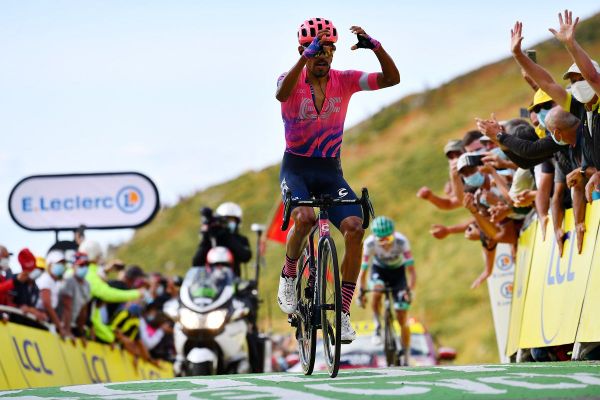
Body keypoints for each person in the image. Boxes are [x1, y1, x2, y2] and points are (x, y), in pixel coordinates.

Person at [276, 17, 400, 343]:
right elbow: (281, 94)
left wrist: (376, 47)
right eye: (313, 49)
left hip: (330, 170)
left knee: (355, 229)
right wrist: (303, 58)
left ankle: (343, 311)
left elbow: (391, 79)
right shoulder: (290, 80)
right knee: (302, 218)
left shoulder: (344, 81)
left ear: (333, 52)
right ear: (302, 50)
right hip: (297, 168)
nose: (320, 55)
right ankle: (289, 275)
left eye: (326, 49)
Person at [548, 10, 600, 202]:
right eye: (574, 80)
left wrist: (571, 45)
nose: (578, 84)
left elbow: (593, 76)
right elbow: (548, 84)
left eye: (582, 78)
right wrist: (519, 55)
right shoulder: (581, 109)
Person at [357, 216, 415, 365]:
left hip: (398, 274)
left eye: (388, 239)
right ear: (374, 238)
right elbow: (362, 272)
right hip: (379, 271)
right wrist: (361, 292)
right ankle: (377, 325)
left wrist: (409, 290)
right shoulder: (369, 244)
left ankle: (406, 353)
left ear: (394, 234)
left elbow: (411, 271)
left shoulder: (402, 241)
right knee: (376, 290)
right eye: (380, 240)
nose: (384, 243)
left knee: (402, 316)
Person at [192, 202, 252, 277]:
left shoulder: (241, 239)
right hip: (211, 283)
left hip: (233, 283)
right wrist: (206, 238)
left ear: (238, 222)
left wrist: (227, 236)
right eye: (225, 220)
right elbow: (196, 262)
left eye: (232, 220)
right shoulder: (212, 238)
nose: (229, 223)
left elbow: (246, 256)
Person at [416, 139, 464, 210]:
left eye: (458, 153)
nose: (455, 159)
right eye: (451, 157)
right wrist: (430, 197)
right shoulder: (460, 179)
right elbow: (450, 204)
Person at [58, 252, 91, 338]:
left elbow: (83, 311)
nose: (85, 268)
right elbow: (67, 308)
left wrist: (81, 334)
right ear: (73, 266)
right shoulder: (69, 281)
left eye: (87, 265)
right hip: (60, 325)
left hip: (72, 325)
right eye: (81, 265)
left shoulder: (87, 285)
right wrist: (67, 331)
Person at [35, 251, 69, 337]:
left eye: (63, 264)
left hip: (46, 318)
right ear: (50, 265)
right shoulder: (46, 279)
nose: (61, 266)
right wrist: (59, 326)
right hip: (39, 318)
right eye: (59, 263)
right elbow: (47, 304)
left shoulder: (55, 282)